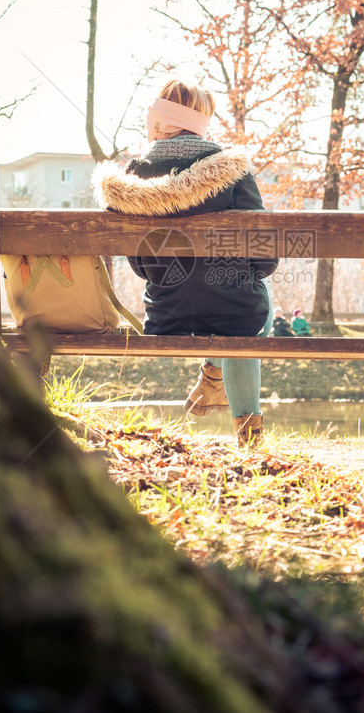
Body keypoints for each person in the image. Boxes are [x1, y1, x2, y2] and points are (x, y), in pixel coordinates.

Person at [93, 79, 277, 447]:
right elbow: (265, 256)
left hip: (165, 312)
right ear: (200, 123)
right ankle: (245, 433)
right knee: (251, 314)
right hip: (235, 306)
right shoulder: (233, 171)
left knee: (244, 313)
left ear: (158, 122)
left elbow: (140, 263)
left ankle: (213, 380)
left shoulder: (132, 177)